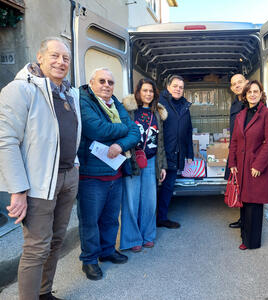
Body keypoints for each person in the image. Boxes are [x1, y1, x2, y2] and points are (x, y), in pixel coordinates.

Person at [0, 37, 81, 300]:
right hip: (37, 184)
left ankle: (45, 293)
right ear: (40, 57)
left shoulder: (70, 93)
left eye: (65, 58)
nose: (60, 62)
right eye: (54, 56)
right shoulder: (20, 90)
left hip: (68, 177)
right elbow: (6, 140)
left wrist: (75, 167)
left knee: (56, 241)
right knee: (36, 248)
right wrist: (18, 190)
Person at [77, 68, 140, 281]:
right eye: (102, 81)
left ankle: (107, 251)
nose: (106, 85)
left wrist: (121, 145)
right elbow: (95, 129)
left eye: (110, 82)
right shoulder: (84, 100)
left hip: (115, 172)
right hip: (91, 176)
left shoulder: (115, 103)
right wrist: (123, 130)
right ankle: (90, 260)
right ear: (92, 82)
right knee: (90, 220)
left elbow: (135, 132)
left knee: (112, 218)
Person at [228, 80, 268, 250]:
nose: (252, 94)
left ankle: (252, 242)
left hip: (256, 166)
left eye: (256, 91)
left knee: (254, 205)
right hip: (241, 165)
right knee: (244, 201)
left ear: (261, 93)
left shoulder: (267, 114)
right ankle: (245, 236)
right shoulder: (241, 115)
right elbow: (234, 140)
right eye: (249, 92)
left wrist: (259, 165)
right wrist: (232, 162)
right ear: (245, 95)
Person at [120, 78, 168, 252]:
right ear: (138, 92)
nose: (148, 94)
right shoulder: (129, 111)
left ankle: (147, 235)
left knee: (149, 201)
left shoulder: (158, 113)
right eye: (144, 90)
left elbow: (160, 142)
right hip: (132, 160)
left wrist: (162, 165)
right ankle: (132, 239)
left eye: (151, 91)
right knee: (131, 201)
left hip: (152, 161)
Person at [157, 75, 194, 229]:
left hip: (176, 153)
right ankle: (149, 220)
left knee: (167, 187)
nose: (178, 89)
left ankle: (161, 218)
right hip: (160, 153)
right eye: (175, 86)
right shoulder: (160, 102)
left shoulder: (185, 106)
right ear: (168, 87)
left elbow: (188, 131)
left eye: (181, 87)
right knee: (155, 188)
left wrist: (190, 154)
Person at [225, 74, 248, 229]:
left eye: (240, 82)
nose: (237, 85)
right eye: (234, 84)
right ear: (232, 88)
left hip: (248, 152)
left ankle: (248, 221)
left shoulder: (251, 102)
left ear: (246, 82)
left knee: (248, 187)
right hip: (235, 149)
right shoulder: (234, 104)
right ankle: (243, 219)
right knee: (239, 185)